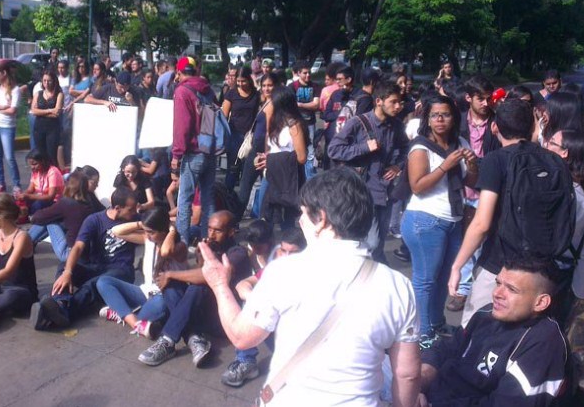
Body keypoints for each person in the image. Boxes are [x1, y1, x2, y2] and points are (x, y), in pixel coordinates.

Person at [200, 168, 420, 406]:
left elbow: (242, 337)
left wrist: (219, 284)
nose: (300, 221)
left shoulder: (283, 272)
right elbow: (407, 374)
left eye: (303, 213)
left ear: (321, 220)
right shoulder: (398, 286)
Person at [448, 99, 565, 326]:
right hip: (540, 267)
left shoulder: (496, 160)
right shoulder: (553, 160)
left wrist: (457, 266)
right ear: (532, 127)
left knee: (475, 327)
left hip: (499, 264)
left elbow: (482, 223)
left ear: (494, 127)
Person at [419, 257, 568, 407]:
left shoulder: (543, 344)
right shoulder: (486, 313)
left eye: (511, 289)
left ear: (540, 303)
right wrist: (420, 379)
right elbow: (449, 346)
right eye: (498, 283)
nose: (497, 293)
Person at [400, 95, 478, 348]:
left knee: (445, 275)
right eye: (435, 115)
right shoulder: (420, 147)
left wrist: (472, 164)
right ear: (428, 119)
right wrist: (445, 166)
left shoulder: (461, 142)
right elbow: (417, 187)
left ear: (454, 117)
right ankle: (420, 332)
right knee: (425, 280)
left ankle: (436, 323)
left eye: (446, 114)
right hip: (425, 220)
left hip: (453, 220)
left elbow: (472, 183)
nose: (441, 119)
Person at [138, 210, 251, 368]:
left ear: (231, 232)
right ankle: (193, 337)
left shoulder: (238, 253)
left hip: (224, 320)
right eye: (209, 229)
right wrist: (200, 258)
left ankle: (168, 340)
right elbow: (200, 273)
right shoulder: (210, 247)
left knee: (196, 285)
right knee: (171, 286)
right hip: (203, 313)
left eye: (217, 230)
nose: (211, 235)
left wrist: (171, 273)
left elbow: (211, 276)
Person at [327, 81, 409, 264]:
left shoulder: (396, 125)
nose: (398, 106)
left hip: (386, 192)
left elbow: (406, 148)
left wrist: (398, 166)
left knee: (376, 245)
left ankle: (374, 277)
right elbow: (333, 150)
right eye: (393, 102)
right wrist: (364, 147)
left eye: (400, 102)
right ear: (379, 101)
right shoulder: (358, 123)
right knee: (371, 243)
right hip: (363, 191)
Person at [35, 187, 139, 330]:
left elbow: (158, 224)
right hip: (97, 267)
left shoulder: (136, 220)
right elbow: (77, 247)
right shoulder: (95, 219)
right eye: (131, 209)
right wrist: (68, 272)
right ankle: (60, 303)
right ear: (117, 208)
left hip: (121, 271)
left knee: (93, 284)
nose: (135, 212)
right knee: (64, 266)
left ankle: (63, 311)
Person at [221, 222, 304, 388]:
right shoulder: (276, 268)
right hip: (274, 326)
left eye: (293, 253)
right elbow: (243, 284)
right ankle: (246, 361)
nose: (286, 257)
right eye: (283, 251)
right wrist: (254, 299)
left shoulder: (315, 274)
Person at [447, 75, 501, 312]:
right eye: (481, 99)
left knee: (476, 239)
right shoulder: (456, 122)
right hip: (459, 188)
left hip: (486, 191)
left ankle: (464, 289)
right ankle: (455, 281)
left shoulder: (498, 123)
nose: (486, 103)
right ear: (468, 98)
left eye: (489, 99)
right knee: (457, 238)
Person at [96, 207, 188, 338]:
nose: (148, 235)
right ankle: (135, 322)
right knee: (103, 282)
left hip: (164, 297)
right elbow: (116, 231)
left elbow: (165, 251)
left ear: (163, 230)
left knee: (151, 311)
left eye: (151, 232)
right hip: (144, 292)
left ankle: (122, 312)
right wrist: (141, 224)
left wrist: (172, 230)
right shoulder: (148, 239)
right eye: (146, 231)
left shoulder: (179, 246)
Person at [543, 129, 584, 325]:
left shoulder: (565, 193)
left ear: (565, 153)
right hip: (567, 272)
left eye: (551, 143)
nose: (545, 146)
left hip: (548, 270)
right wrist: (582, 288)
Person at [171, 56, 216, 244]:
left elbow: (182, 126)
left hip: (192, 152)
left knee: (184, 200)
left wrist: (176, 156)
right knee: (208, 199)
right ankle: (210, 239)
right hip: (210, 149)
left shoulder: (182, 91)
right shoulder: (208, 89)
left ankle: (183, 243)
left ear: (179, 72)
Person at [259, 87, 307, 230]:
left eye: (272, 101)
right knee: (267, 213)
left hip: (289, 178)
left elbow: (302, 157)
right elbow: (274, 148)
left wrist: (273, 160)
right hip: (272, 174)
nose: (269, 103)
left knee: (287, 220)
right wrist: (265, 158)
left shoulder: (294, 125)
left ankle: (288, 248)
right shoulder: (276, 123)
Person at [29, 171, 101, 263]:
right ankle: (27, 242)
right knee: (54, 218)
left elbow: (38, 217)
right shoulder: (90, 199)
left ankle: (26, 242)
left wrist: (31, 217)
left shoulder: (66, 203)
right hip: (87, 251)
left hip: (70, 253)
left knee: (50, 221)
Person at [238, 74, 280, 219]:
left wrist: (267, 152)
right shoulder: (266, 102)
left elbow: (269, 130)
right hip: (258, 145)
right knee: (264, 185)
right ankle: (265, 217)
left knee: (246, 184)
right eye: (264, 86)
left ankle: (236, 220)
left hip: (261, 148)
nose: (266, 88)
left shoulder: (272, 104)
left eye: (270, 85)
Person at [222, 67, 261, 190]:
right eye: (238, 81)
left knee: (247, 171)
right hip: (234, 136)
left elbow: (264, 107)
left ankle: (243, 203)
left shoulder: (257, 94)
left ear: (249, 79)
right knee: (232, 170)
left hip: (251, 136)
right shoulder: (232, 93)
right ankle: (227, 198)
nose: (240, 84)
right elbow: (223, 115)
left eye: (243, 81)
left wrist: (256, 83)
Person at [0, 60, 22, 195]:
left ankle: (16, 184)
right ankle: (0, 182)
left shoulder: (15, 90)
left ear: (4, 73)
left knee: (9, 157)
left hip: (7, 127)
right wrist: (3, 107)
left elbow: (13, 111)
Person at [289, 61, 322, 179]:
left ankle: (310, 178)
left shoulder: (315, 86)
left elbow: (316, 105)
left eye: (309, 72)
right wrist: (307, 104)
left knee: (310, 151)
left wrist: (300, 105)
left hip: (310, 123)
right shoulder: (292, 87)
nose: (308, 75)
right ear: (298, 73)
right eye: (305, 73)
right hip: (295, 123)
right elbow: (290, 105)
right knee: (294, 148)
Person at [31, 70, 64, 167]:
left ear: (54, 81)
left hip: (52, 129)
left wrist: (40, 112)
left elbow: (57, 113)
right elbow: (33, 111)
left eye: (49, 81)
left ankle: (54, 178)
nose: (46, 83)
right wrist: (50, 110)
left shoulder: (59, 94)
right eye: (44, 80)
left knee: (51, 156)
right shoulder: (38, 94)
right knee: (40, 155)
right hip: (39, 128)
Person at [20, 149, 64, 215]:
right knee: (19, 202)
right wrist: (22, 195)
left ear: (43, 161)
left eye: (35, 164)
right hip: (40, 198)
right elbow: (30, 189)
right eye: (30, 165)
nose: (32, 167)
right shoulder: (36, 172)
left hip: (54, 201)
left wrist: (29, 196)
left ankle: (32, 217)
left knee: (38, 204)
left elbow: (50, 196)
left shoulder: (53, 172)